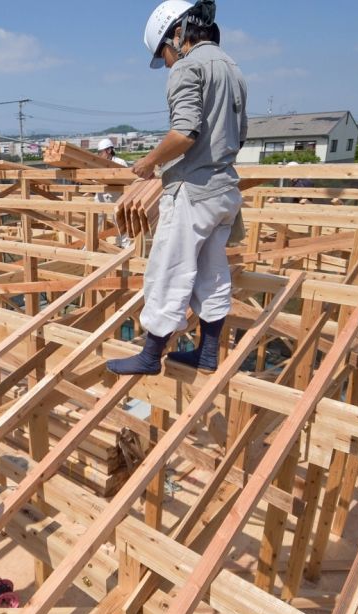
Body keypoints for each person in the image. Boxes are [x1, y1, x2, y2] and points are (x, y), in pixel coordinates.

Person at [107, 0, 246, 376]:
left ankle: (150, 355)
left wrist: (150, 162)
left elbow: (185, 132)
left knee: (168, 270)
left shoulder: (188, 67)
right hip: (225, 190)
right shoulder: (232, 67)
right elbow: (239, 134)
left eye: (164, 52)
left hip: (194, 189)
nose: (167, 62)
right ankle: (207, 352)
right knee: (213, 271)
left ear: (177, 34)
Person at [96, 139, 132, 248]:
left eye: (101, 152)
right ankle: (89, 244)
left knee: (119, 220)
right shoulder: (98, 163)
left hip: (117, 195)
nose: (100, 154)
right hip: (101, 194)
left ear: (109, 150)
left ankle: (124, 245)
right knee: (95, 219)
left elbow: (128, 179)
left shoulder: (120, 163)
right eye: (99, 152)